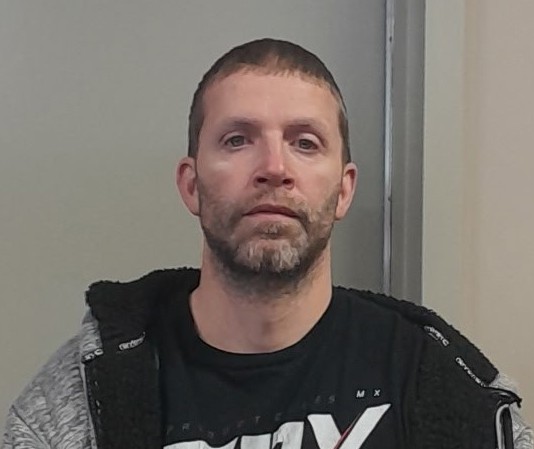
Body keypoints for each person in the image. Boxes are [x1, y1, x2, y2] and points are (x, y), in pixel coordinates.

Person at [2, 38, 532, 449]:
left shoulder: (432, 375)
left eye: (305, 142)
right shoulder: (78, 398)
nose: (274, 168)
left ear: (344, 189)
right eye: (238, 140)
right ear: (191, 184)